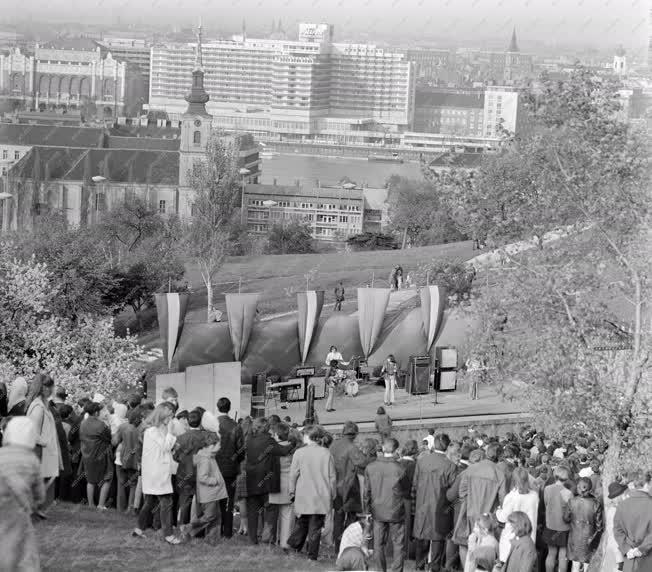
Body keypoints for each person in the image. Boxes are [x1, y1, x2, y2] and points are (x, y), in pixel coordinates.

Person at [0, 416, 45, 572]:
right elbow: (39, 490)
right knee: (23, 545)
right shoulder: (32, 460)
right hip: (18, 509)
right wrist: (38, 504)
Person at [288, 425, 337, 561]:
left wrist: (291, 491)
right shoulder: (326, 453)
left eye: (304, 435)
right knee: (315, 527)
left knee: (301, 523)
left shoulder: (299, 453)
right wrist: (333, 493)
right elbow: (332, 476)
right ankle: (311, 555)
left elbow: (293, 475)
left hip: (303, 494)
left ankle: (294, 547)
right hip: (321, 495)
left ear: (308, 436)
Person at [133, 403, 180, 544]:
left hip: (154, 471)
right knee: (166, 502)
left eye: (172, 415)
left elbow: (164, 448)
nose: (170, 419)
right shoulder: (152, 431)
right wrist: (171, 433)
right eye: (169, 415)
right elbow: (165, 446)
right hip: (157, 472)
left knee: (149, 502)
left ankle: (139, 529)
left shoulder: (156, 430)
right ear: (162, 415)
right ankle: (168, 535)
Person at [453, 442, 506, 566]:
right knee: (487, 547)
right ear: (499, 456)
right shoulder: (499, 473)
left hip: (470, 513)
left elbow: (462, 493)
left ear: (486, 453)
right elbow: (503, 500)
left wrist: (469, 502)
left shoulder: (471, 468)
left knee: (465, 544)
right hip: (488, 516)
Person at [411, 432, 458, 571]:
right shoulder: (450, 466)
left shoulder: (422, 461)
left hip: (424, 507)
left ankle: (420, 567)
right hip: (440, 508)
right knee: (436, 543)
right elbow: (454, 493)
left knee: (423, 541)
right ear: (447, 446)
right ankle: (432, 568)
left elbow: (415, 484)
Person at [244, 417, 294, 545]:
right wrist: (294, 443)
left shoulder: (248, 439)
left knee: (252, 511)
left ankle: (252, 539)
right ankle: (267, 538)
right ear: (266, 427)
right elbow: (283, 451)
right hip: (266, 480)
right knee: (270, 510)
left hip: (251, 478)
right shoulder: (268, 440)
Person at [364, 437, 409, 572]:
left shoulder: (371, 467)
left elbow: (366, 492)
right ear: (396, 450)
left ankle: (380, 570)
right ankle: (396, 570)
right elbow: (407, 490)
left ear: (383, 448)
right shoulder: (400, 468)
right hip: (395, 510)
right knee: (398, 544)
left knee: (379, 544)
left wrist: (367, 511)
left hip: (378, 510)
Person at [183, 431, 227, 543]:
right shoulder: (205, 459)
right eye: (218, 444)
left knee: (216, 517)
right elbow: (202, 477)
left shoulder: (209, 456)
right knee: (210, 516)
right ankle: (188, 528)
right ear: (211, 445)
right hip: (209, 493)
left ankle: (212, 539)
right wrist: (215, 481)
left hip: (213, 493)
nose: (220, 447)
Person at [26, 373, 61, 509]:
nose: (52, 390)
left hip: (42, 449)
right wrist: (45, 442)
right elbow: (33, 432)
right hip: (38, 449)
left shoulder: (42, 405)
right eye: (50, 387)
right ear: (43, 388)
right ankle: (33, 511)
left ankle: (37, 510)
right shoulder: (38, 408)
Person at [330, 420, 366, 551]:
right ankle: (347, 545)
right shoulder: (352, 447)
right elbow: (362, 462)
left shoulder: (333, 445)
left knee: (338, 518)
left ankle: (337, 546)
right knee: (351, 517)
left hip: (335, 485)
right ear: (354, 434)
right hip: (349, 486)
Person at [496, 467, 539, 563]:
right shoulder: (534, 496)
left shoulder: (511, 497)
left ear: (513, 480)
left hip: (512, 536)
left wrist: (498, 511)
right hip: (529, 536)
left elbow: (503, 518)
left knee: (509, 563)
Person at [613, 470, 652, 572]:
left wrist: (627, 549)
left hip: (630, 559)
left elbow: (617, 530)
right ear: (647, 484)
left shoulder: (622, 505)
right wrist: (640, 549)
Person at [172, 409, 205, 525]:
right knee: (200, 502)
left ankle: (183, 527)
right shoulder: (206, 438)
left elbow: (175, 457)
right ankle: (199, 530)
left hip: (184, 472)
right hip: (201, 472)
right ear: (201, 422)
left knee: (185, 502)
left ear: (188, 422)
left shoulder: (180, 438)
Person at [267, 422, 296, 549]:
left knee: (272, 517)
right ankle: (285, 543)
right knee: (287, 516)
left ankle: (270, 541)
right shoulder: (293, 449)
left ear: (276, 434)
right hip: (288, 484)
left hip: (273, 484)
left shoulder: (271, 449)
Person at [80, 401, 113, 510]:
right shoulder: (101, 424)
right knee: (107, 478)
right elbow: (109, 438)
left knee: (90, 480)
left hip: (87, 455)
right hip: (100, 455)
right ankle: (101, 505)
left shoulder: (83, 423)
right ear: (96, 412)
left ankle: (90, 504)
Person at [568, 477, 603, 572]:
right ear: (590, 489)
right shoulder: (596, 503)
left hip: (575, 534)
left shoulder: (572, 501)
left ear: (578, 487)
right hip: (589, 536)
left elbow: (566, 518)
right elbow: (599, 525)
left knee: (575, 564)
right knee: (588, 563)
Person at [542, 465, 573, 572]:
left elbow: (546, 504)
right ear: (567, 477)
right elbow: (570, 512)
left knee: (551, 554)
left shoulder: (547, 489)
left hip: (550, 526)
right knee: (562, 556)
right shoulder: (568, 493)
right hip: (564, 528)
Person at [115, 407, 142, 514]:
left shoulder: (122, 426)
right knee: (133, 485)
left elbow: (115, 441)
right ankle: (130, 508)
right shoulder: (140, 430)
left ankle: (120, 508)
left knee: (121, 484)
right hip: (134, 461)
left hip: (121, 459)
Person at [604, 481, 629, 572]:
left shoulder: (613, 509)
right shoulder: (614, 511)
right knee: (619, 565)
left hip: (616, 543)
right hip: (617, 544)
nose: (624, 496)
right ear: (617, 497)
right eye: (622, 494)